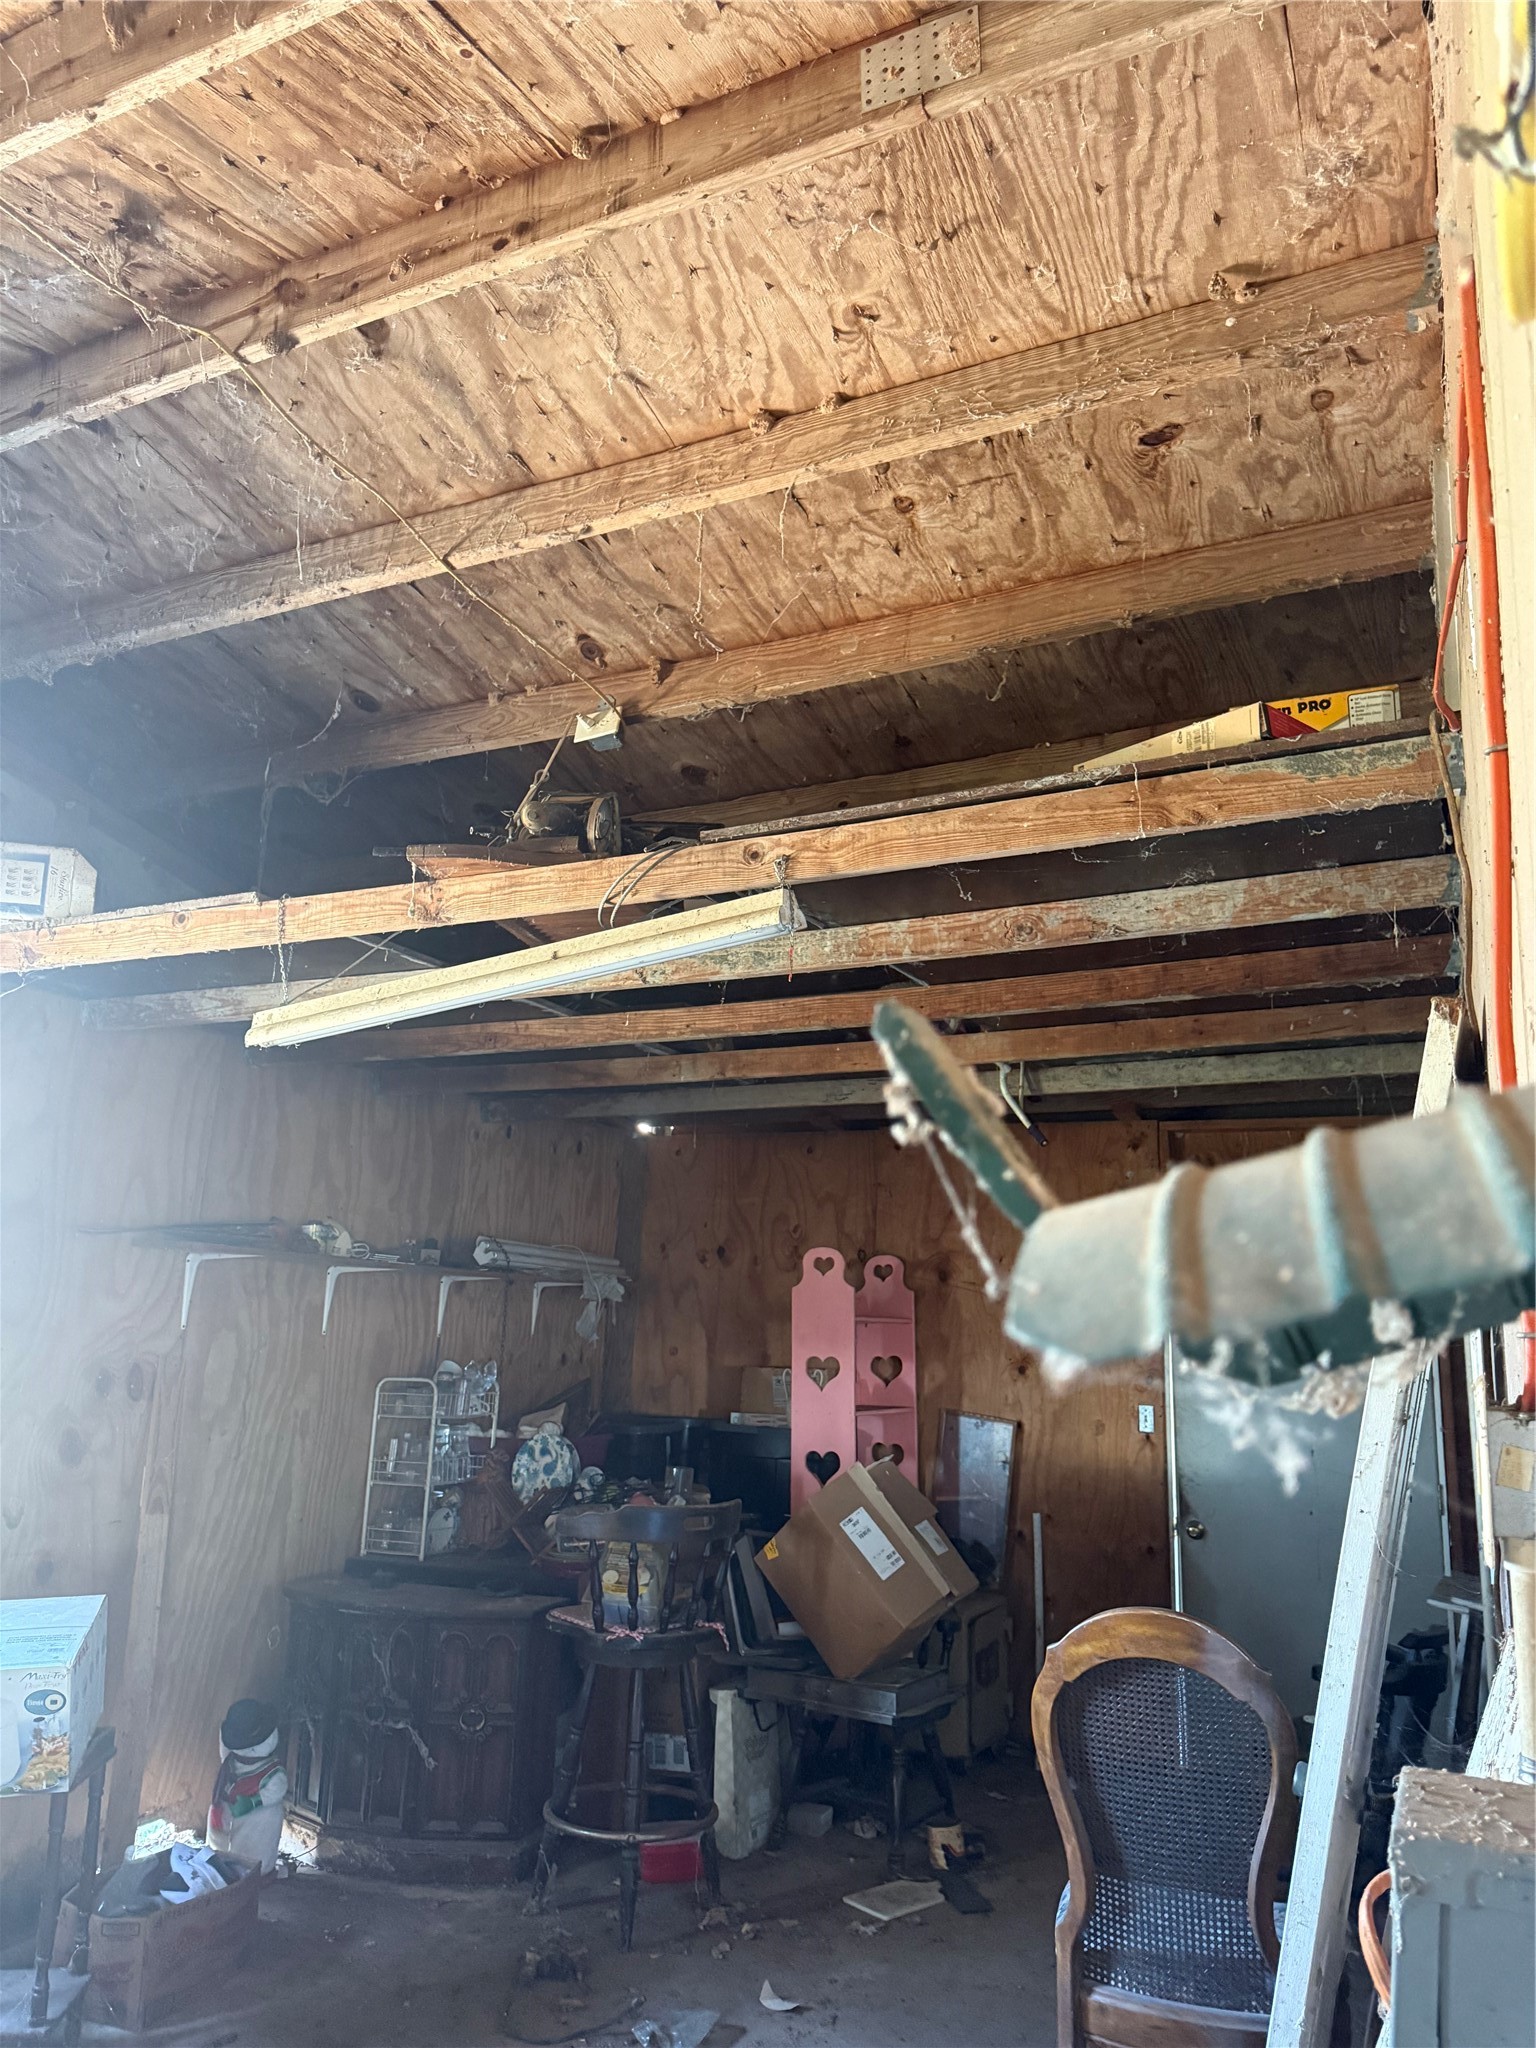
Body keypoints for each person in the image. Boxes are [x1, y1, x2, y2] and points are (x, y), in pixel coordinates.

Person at [206, 1698, 287, 1872]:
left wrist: (253, 1802)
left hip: (260, 1813)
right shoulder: (231, 1761)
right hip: (227, 1804)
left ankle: (257, 1870)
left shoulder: (272, 1771)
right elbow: (225, 1748)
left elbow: (277, 1788)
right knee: (218, 1837)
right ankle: (219, 1863)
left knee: (256, 1842)